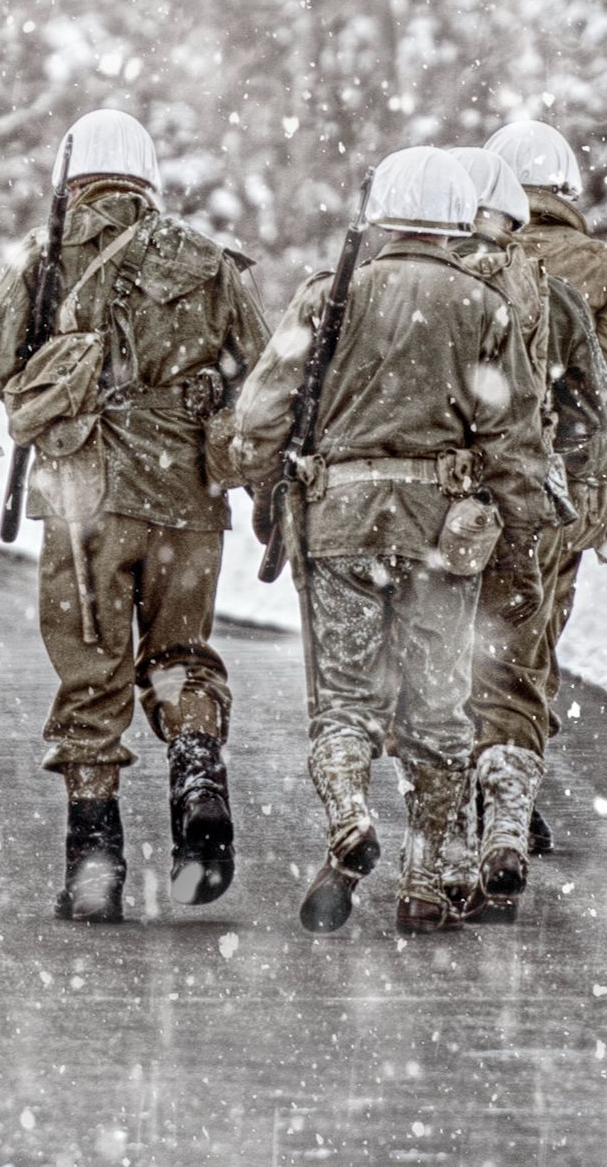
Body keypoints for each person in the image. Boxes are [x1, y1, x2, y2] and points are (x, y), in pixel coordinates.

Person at [222, 147, 552, 935]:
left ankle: (348, 819)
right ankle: (427, 876)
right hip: (444, 529)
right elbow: (516, 442)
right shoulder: (486, 307)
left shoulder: (325, 299)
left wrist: (269, 498)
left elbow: (260, 419)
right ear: (452, 217)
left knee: (344, 701)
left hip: (337, 521)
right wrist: (520, 543)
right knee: (438, 708)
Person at [0, 107, 271, 923]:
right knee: (180, 654)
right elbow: (266, 381)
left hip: (84, 502)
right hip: (190, 502)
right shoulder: (210, 263)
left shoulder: (44, 261)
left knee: (91, 670)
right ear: (148, 175)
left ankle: (95, 863)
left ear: (71, 176)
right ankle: (198, 778)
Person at [474, 116, 607, 891]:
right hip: (561, 490)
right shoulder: (596, 265)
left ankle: (484, 785)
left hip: (474, 484)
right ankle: (515, 789)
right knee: (533, 634)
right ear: (568, 188)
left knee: (473, 632)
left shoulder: (471, 256)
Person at [440, 142, 607, 920]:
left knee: (436, 666)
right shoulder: (558, 287)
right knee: (512, 663)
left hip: (431, 512)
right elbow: (602, 409)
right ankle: (506, 822)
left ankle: (438, 845)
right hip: (526, 504)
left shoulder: (408, 284)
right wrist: (571, 486)